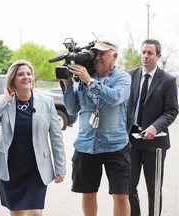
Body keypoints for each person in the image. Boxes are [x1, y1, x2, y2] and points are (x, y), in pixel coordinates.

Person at [0, 59, 66, 216]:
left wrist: (60, 166)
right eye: (21, 74)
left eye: (29, 73)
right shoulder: (2, 101)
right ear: (13, 79)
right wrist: (6, 101)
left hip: (37, 168)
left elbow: (56, 138)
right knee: (17, 213)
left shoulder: (46, 102)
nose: (26, 77)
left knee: (35, 213)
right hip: (11, 168)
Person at [60, 41, 132, 216]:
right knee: (88, 194)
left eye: (102, 54)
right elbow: (71, 109)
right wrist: (67, 84)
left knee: (121, 196)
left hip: (115, 146)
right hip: (86, 145)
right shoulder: (85, 76)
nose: (97, 57)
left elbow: (115, 98)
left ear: (114, 56)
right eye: (95, 53)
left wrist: (89, 81)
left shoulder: (122, 77)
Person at [127, 39, 178, 216]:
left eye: (150, 53)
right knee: (128, 187)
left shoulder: (168, 81)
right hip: (131, 140)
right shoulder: (130, 76)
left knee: (154, 188)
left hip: (155, 142)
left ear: (158, 55)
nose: (145, 56)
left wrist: (155, 127)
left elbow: (171, 111)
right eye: (143, 52)